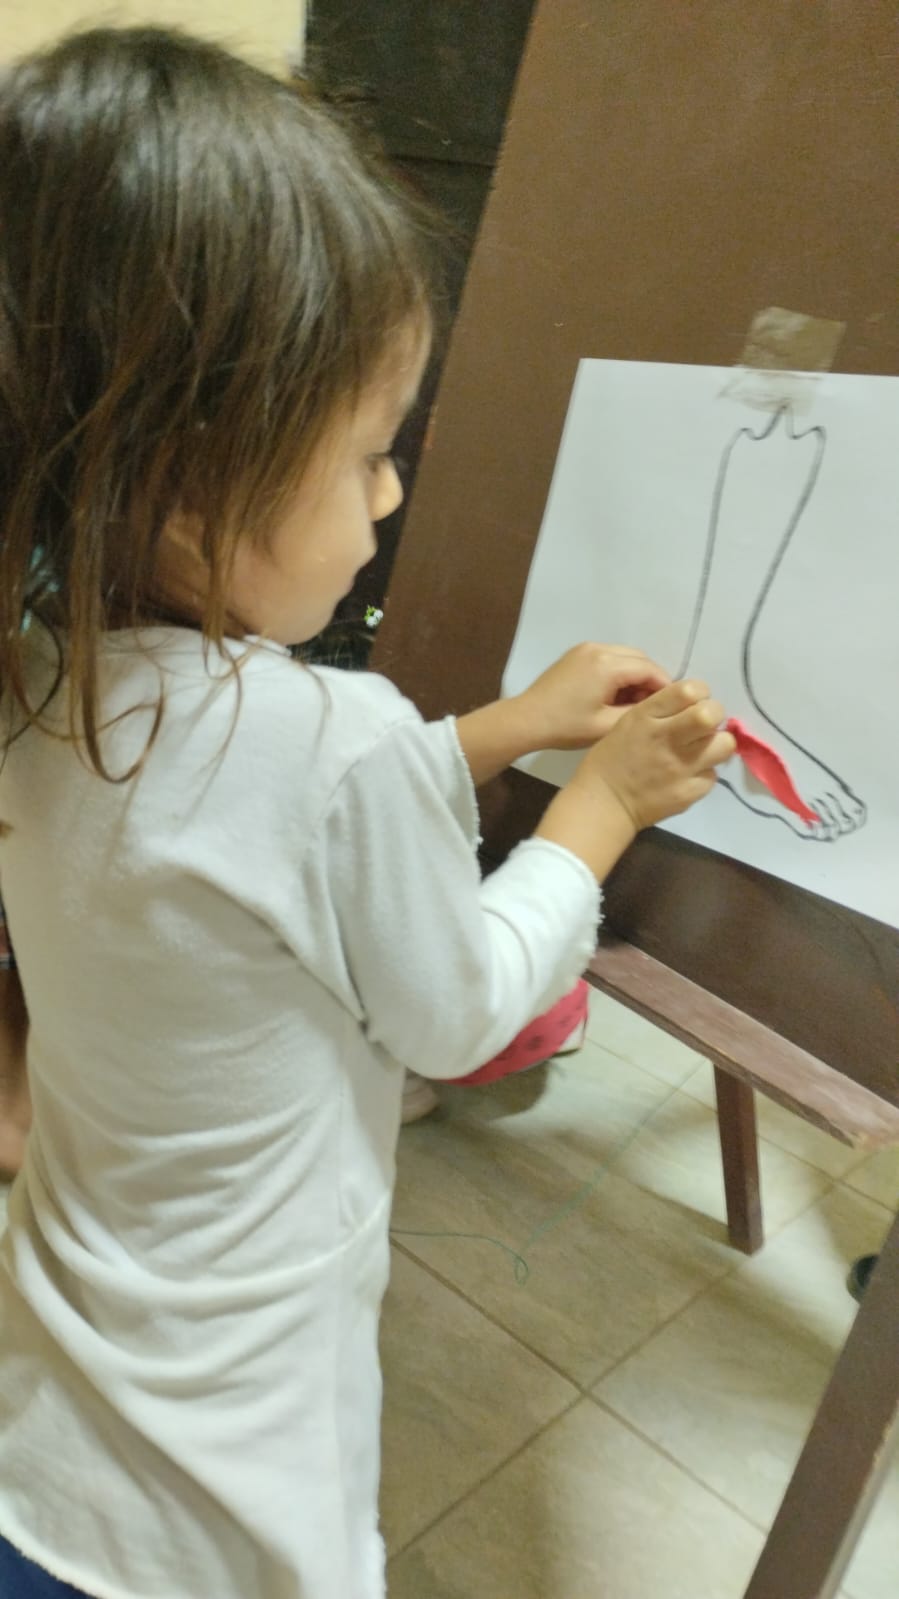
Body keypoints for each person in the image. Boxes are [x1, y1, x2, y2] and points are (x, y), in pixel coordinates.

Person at [0, 27, 736, 1599]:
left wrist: (503, 732)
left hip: (62, 1393)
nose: (392, 498)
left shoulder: (39, 670)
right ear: (195, 485)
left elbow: (250, 827)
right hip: (223, 1485)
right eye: (366, 456)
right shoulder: (331, 738)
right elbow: (459, 1012)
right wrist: (597, 812)